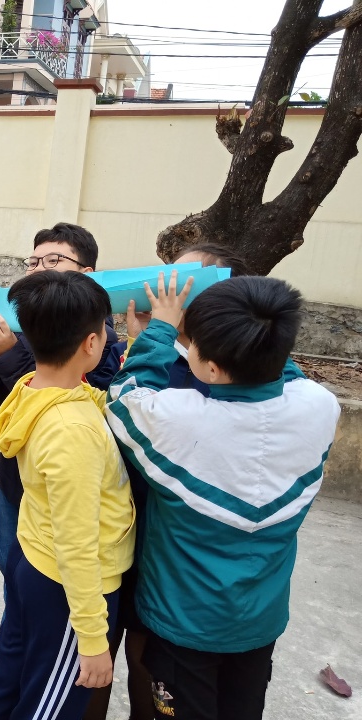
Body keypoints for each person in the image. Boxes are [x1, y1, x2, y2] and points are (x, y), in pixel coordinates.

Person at [105, 273, 340, 720]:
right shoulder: (320, 406)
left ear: (211, 368)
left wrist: (159, 331)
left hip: (183, 624)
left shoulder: (179, 421)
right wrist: (250, 330)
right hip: (259, 622)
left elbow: (123, 397)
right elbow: (287, 373)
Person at [84, 242, 251, 720]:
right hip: (115, 536)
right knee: (94, 660)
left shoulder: (225, 377)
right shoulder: (146, 353)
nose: (165, 291)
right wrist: (145, 341)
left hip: (168, 554)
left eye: (183, 284)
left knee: (150, 668)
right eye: (166, 278)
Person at [0, 270, 135, 720]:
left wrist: (139, 345)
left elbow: (94, 398)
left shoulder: (35, 389)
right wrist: (93, 640)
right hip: (68, 587)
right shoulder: (72, 431)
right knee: (49, 706)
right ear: (91, 344)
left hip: (35, 561)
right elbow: (77, 543)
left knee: (9, 677)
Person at [0, 223, 126, 577]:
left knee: (52, 579)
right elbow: (3, 406)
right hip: (15, 482)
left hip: (64, 489)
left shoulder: (101, 342)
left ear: (87, 274)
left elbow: (65, 399)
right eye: (33, 262)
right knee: (12, 573)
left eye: (52, 260)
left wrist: (8, 353)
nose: (38, 269)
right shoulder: (21, 326)